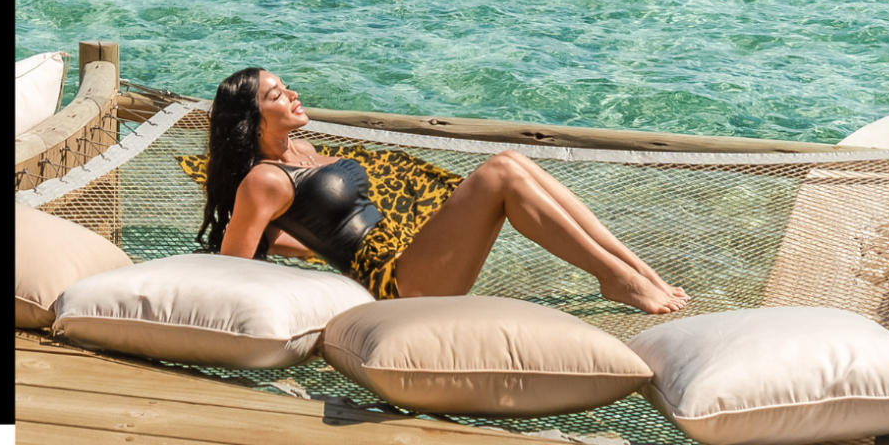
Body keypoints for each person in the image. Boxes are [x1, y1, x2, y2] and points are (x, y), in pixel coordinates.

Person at [197, 67, 690, 314]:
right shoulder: (263, 179)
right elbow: (234, 266)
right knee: (501, 171)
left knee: (514, 162)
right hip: (396, 286)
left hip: (409, 256)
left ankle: (633, 270)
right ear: (252, 118)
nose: (293, 94)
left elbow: (292, 230)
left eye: (286, 86)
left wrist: (313, 251)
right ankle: (617, 280)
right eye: (277, 95)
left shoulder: (301, 147)